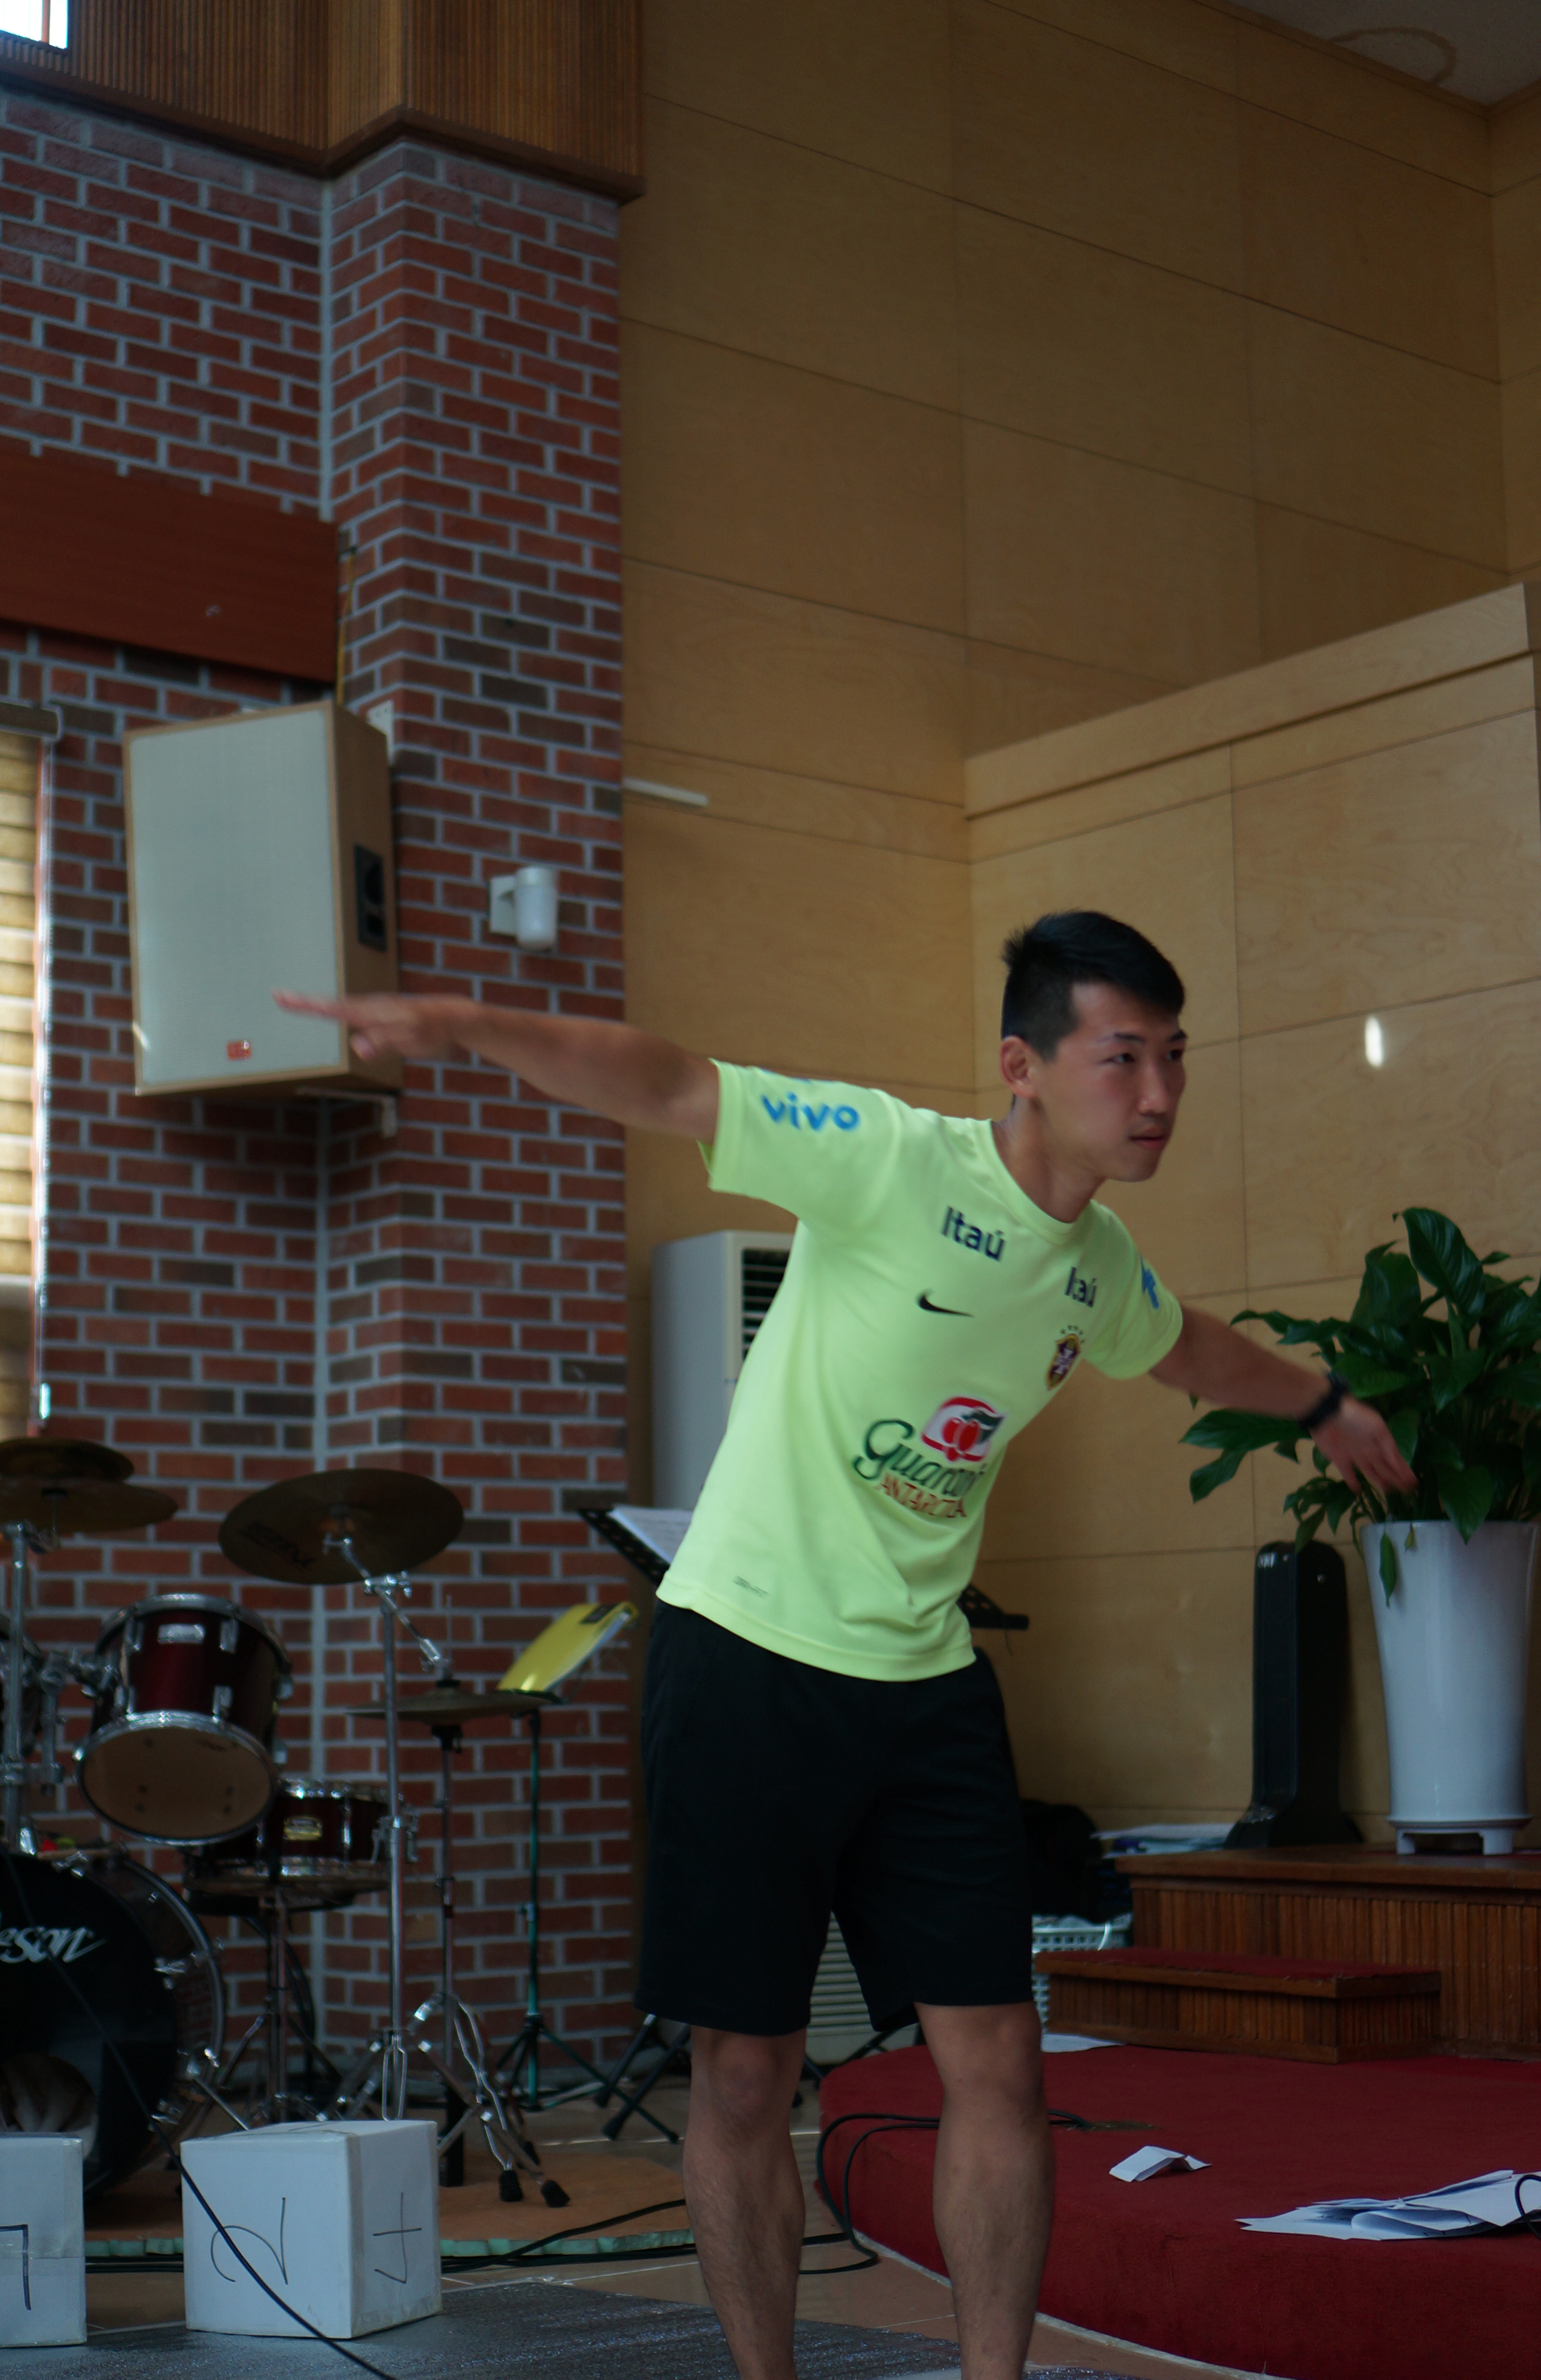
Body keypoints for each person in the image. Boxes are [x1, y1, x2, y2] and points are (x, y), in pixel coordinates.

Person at [278, 911, 1411, 2380]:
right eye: (1122, 1058)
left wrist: (1321, 1405)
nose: (1159, 1094)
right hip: (748, 1658)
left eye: (1174, 1059)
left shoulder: (1097, 1267)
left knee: (998, 2056)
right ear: (1022, 1066)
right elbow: (671, 1082)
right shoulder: (888, 1158)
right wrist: (464, 1026)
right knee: (747, 2069)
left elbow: (1187, 1346)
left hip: (926, 1685)